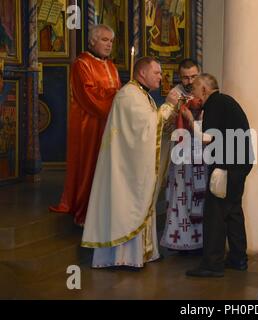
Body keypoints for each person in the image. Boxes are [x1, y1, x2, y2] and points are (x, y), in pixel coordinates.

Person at [81, 57, 179, 268]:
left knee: (137, 206)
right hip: (125, 170)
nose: (161, 77)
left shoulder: (142, 95)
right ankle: (121, 257)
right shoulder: (129, 95)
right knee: (127, 208)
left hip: (131, 166)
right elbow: (148, 127)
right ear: (142, 73)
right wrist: (169, 105)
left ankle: (140, 254)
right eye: (157, 73)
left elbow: (152, 129)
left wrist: (170, 120)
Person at [49, 24, 121, 226]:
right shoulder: (82, 64)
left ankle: (103, 210)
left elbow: (118, 94)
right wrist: (115, 102)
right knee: (88, 166)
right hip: (88, 125)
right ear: (92, 41)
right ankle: (84, 212)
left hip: (108, 124)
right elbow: (88, 96)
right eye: (104, 40)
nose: (109, 45)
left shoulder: (112, 66)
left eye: (111, 41)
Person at [184, 74, 253, 277]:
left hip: (226, 167)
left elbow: (208, 139)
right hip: (240, 165)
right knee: (233, 212)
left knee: (215, 214)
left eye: (195, 90)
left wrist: (190, 121)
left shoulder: (214, 104)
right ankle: (238, 259)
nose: (193, 95)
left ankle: (212, 264)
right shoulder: (226, 101)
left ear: (204, 90)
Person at [160, 59, 207, 253]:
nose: (189, 81)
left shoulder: (206, 91)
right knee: (180, 198)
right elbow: (166, 127)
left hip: (202, 156)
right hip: (180, 156)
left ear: (200, 74)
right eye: (185, 77)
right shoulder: (173, 95)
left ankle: (202, 241)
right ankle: (180, 242)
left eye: (193, 76)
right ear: (180, 77)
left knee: (201, 197)